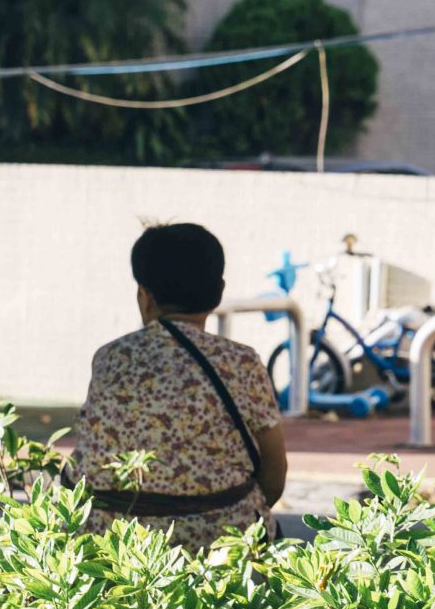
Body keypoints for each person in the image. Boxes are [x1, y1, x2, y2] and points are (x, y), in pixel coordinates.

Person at [72, 223, 288, 551]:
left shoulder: (110, 358)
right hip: (220, 546)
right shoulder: (241, 361)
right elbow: (274, 475)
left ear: (144, 297)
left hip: (117, 545)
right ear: (217, 292)